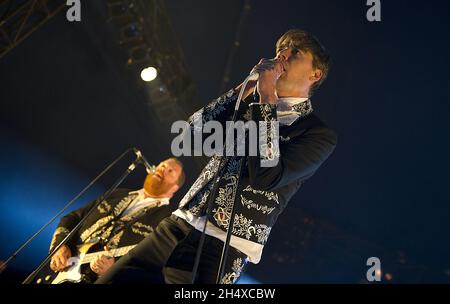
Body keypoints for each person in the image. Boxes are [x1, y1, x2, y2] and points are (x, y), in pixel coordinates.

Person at [97, 29, 337, 284]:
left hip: (222, 247)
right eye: (282, 47)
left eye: (295, 51)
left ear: (315, 74)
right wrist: (242, 90)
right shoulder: (247, 105)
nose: (283, 53)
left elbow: (266, 176)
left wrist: (266, 98)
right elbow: (189, 137)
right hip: (178, 225)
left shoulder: (317, 133)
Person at [45, 157, 184, 283]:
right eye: (163, 165)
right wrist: (60, 246)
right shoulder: (117, 193)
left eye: (171, 171)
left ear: (175, 187)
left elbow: (154, 270)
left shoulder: (167, 220)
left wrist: (114, 271)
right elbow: (73, 217)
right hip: (60, 272)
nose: (164, 169)